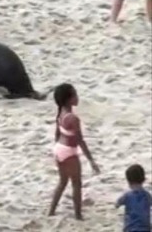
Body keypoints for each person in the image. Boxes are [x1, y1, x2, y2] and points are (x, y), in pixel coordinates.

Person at [48, 83, 100, 220]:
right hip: (69, 152)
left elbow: (57, 133)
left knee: (63, 182)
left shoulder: (61, 113)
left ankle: (51, 211)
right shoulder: (73, 118)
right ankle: (78, 215)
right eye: (75, 94)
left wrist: (56, 149)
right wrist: (91, 160)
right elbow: (80, 141)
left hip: (59, 149)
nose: (77, 97)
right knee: (77, 184)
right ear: (68, 99)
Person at [115, 164, 152, 232]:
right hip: (145, 229)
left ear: (128, 181)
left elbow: (117, 204)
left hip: (130, 228)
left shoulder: (127, 195)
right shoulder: (147, 195)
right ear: (143, 179)